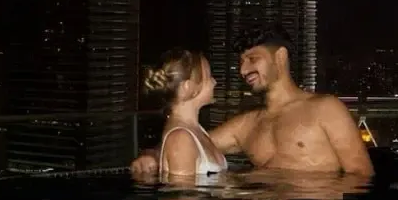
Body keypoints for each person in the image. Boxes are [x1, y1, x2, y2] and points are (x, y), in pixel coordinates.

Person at [132, 25, 374, 177]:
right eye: (241, 61)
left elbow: (361, 176)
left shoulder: (326, 109)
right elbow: (190, 143)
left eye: (252, 59)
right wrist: (152, 156)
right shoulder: (245, 125)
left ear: (280, 57)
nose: (243, 70)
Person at [144, 48, 228, 179]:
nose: (214, 82)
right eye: (209, 77)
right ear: (188, 88)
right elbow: (183, 197)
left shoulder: (197, 131)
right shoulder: (180, 139)